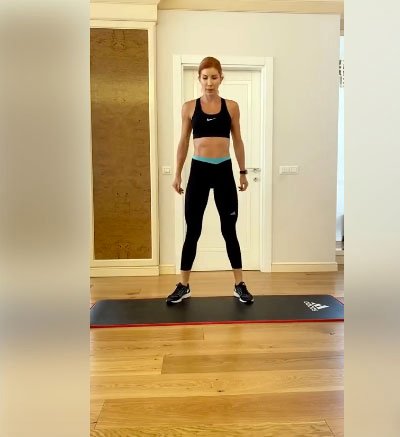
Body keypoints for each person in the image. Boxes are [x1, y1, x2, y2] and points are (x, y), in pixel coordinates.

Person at [166, 56, 254, 305]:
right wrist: (177, 174)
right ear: (199, 79)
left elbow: (238, 140)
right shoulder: (189, 107)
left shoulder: (232, 107)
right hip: (199, 172)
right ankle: (183, 285)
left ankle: (239, 284)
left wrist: (243, 172)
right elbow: (183, 142)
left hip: (224, 171)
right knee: (193, 229)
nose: (209, 82)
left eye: (214, 77)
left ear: (221, 78)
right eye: (205, 77)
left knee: (229, 230)